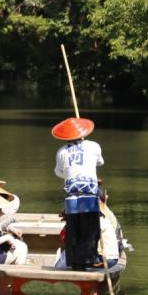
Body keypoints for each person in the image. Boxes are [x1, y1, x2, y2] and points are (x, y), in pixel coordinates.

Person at [52, 116, 103, 270]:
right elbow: (99, 162)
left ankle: (75, 264)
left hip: (71, 198)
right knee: (90, 230)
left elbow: (60, 173)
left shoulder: (61, 151)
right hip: (89, 195)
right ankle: (86, 262)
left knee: (74, 231)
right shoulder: (94, 146)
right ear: (84, 132)